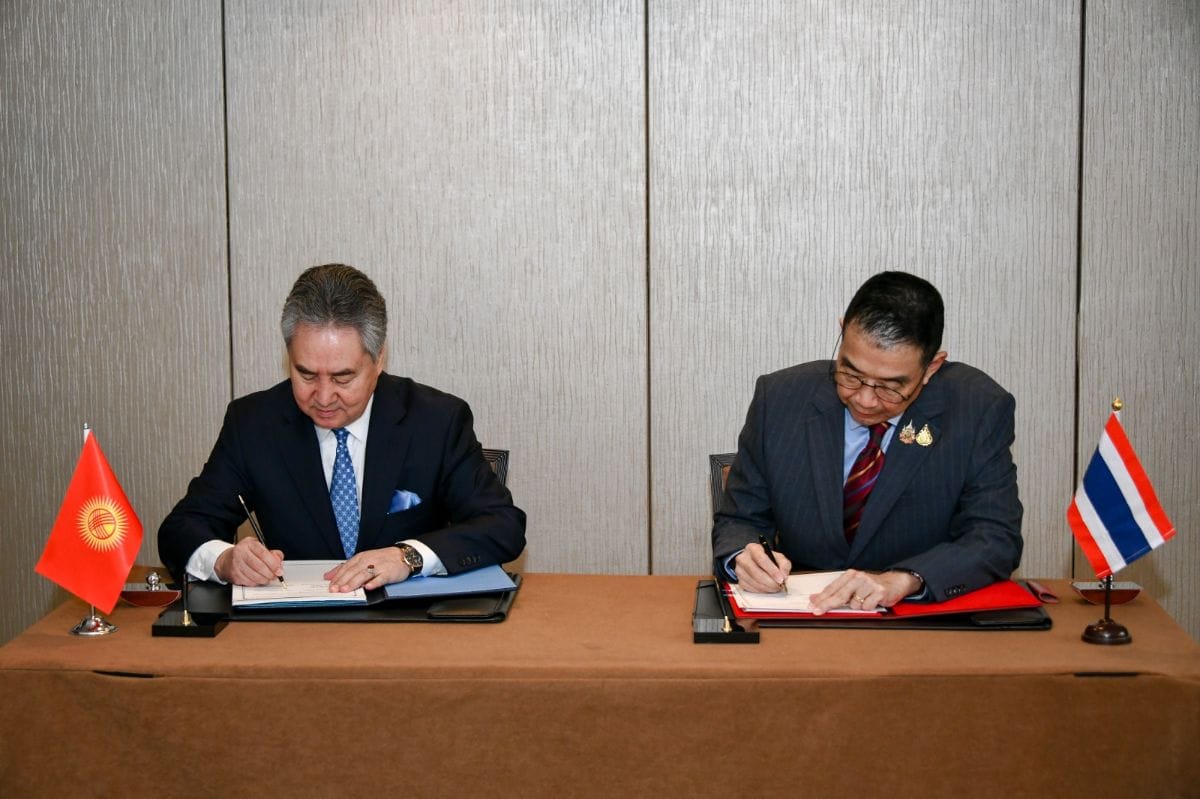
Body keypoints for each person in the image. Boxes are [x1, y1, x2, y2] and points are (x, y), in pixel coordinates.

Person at [158, 263, 525, 592]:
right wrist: (223, 559)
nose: (323, 397)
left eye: (342, 377)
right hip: (294, 631)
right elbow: (181, 529)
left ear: (378, 360)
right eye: (305, 374)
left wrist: (408, 556)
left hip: (408, 628)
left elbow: (502, 525)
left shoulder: (436, 421)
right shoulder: (254, 423)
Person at [712, 271, 1022, 613]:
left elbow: (994, 537)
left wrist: (906, 579)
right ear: (842, 332)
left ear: (931, 367)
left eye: (890, 387)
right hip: (802, 613)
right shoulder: (780, 399)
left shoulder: (977, 410)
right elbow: (740, 519)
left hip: (915, 619)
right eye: (851, 375)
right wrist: (744, 556)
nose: (865, 400)